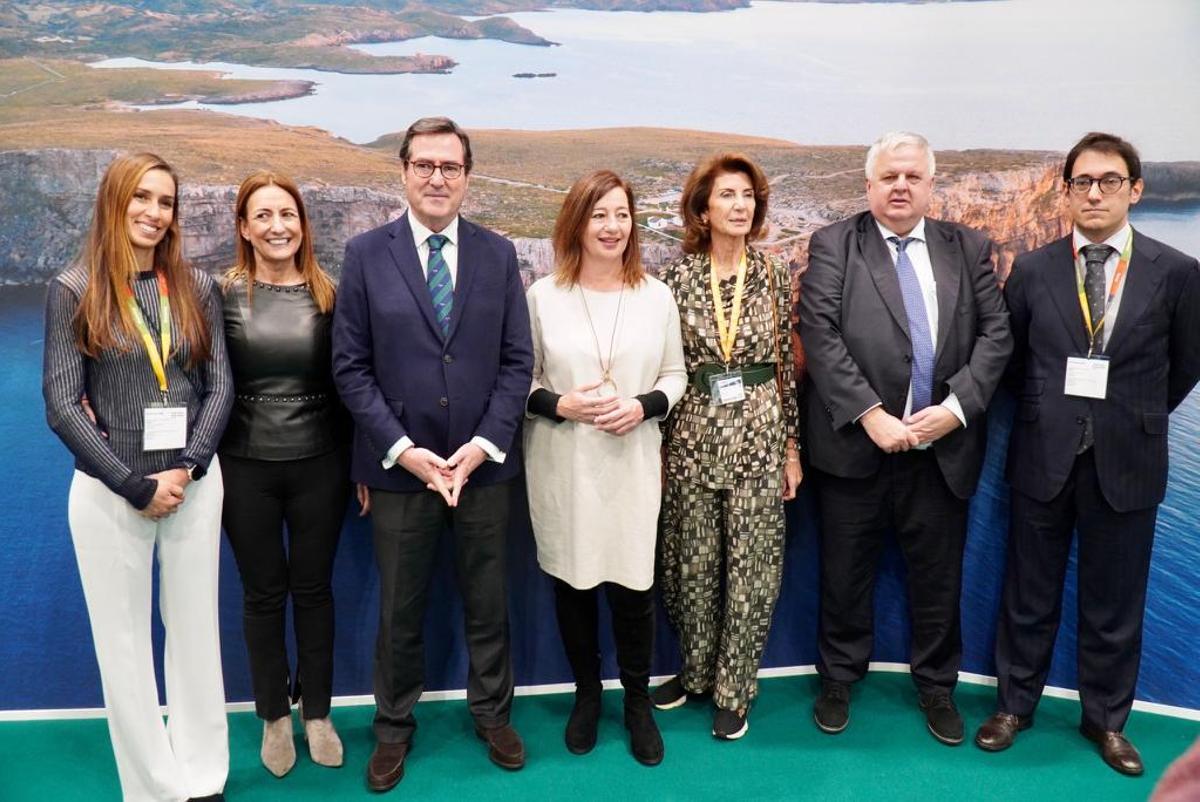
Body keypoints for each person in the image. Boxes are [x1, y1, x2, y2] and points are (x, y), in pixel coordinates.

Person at [975, 132, 1200, 775]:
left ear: (1135, 190)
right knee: (1028, 594)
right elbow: (1012, 363)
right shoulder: (1034, 270)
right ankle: (1013, 707)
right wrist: (1058, 411)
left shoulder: (1178, 273)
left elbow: (1184, 365)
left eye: (1108, 181)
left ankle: (1107, 723)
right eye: (1082, 182)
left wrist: (1132, 417)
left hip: (1127, 464)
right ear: (1066, 191)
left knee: (1115, 602)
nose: (1094, 193)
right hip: (1043, 458)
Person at [332, 116, 534, 792]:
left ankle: (494, 717)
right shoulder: (365, 254)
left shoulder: (499, 255)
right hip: (398, 473)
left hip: (485, 470)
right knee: (400, 610)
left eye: (450, 167)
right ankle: (392, 731)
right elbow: (350, 369)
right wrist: (403, 451)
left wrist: (481, 447)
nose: (437, 177)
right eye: (425, 165)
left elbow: (516, 362)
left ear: (467, 177)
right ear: (404, 172)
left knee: (488, 601)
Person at [799, 131, 1011, 745]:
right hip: (855, 449)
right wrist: (869, 413)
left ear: (929, 186)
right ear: (868, 185)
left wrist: (957, 408)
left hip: (940, 450)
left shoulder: (966, 247)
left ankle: (937, 689)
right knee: (844, 577)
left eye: (912, 177)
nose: (900, 186)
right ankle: (838, 681)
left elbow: (997, 336)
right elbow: (821, 333)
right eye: (889, 176)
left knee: (938, 581)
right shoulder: (835, 244)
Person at [42, 152, 232, 802]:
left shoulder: (198, 287)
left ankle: (204, 776)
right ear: (115, 202)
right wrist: (134, 485)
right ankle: (154, 788)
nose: (154, 213)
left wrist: (187, 467)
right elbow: (63, 405)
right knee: (122, 648)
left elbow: (220, 387)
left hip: (195, 486)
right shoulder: (74, 288)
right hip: (108, 494)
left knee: (195, 630)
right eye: (141, 198)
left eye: (166, 202)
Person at [524, 170, 686, 765]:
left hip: (631, 463)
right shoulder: (544, 296)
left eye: (622, 214)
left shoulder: (656, 295)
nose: (613, 227)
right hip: (564, 463)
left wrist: (643, 406)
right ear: (576, 222)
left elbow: (676, 375)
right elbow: (523, 380)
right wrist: (562, 404)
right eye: (599, 215)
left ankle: (637, 702)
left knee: (632, 588)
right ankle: (587, 695)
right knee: (574, 583)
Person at [654, 152, 801, 741]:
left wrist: (792, 448)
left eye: (748, 197)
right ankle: (694, 675)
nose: (740, 206)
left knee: (754, 566)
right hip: (692, 435)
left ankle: (735, 689)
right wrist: (660, 451)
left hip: (760, 438)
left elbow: (785, 368)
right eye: (727, 197)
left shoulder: (774, 274)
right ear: (703, 209)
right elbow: (666, 367)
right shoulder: (676, 278)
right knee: (689, 564)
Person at [219, 170, 358, 777]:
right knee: (261, 595)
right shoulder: (221, 294)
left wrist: (359, 467)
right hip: (244, 466)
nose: (278, 227)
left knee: (315, 591)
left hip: (320, 464)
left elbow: (352, 384)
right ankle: (274, 716)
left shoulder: (332, 295)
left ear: (303, 224)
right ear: (244, 229)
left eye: (288, 215)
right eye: (264, 216)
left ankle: (318, 713)